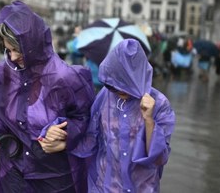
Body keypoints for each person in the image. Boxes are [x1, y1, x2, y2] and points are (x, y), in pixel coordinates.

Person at [0, 0, 95, 193]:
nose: (12, 57)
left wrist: (65, 134)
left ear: (33, 45)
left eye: (17, 50)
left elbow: (85, 118)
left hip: (53, 177)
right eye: (8, 50)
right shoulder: (2, 72)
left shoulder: (65, 77)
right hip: (12, 173)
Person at [42, 39, 176, 192]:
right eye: (114, 86)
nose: (119, 91)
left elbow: (159, 159)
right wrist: (64, 140)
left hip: (142, 188)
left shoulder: (159, 104)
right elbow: (92, 136)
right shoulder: (106, 96)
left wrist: (149, 120)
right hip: (104, 186)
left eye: (124, 84)